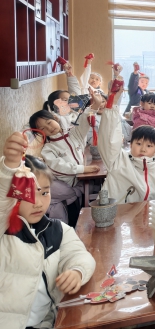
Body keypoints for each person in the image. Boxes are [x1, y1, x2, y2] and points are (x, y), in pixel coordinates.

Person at [0, 134, 96, 328]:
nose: (38, 203)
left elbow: (79, 255)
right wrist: (10, 167)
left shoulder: (58, 230)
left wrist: (77, 271)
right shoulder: (4, 231)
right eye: (27, 195)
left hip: (47, 322)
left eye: (44, 192)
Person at [31, 89, 100, 226]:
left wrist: (95, 105)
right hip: (62, 190)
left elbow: (84, 120)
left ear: (55, 118)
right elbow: (59, 168)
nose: (49, 128)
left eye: (49, 122)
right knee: (73, 220)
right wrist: (82, 169)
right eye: (43, 129)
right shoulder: (48, 149)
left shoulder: (74, 134)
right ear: (40, 133)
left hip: (78, 183)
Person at [95, 85, 155, 203]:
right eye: (139, 144)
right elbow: (109, 140)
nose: (143, 149)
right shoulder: (118, 161)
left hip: (148, 212)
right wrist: (112, 105)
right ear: (130, 144)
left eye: (149, 146)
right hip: (119, 212)